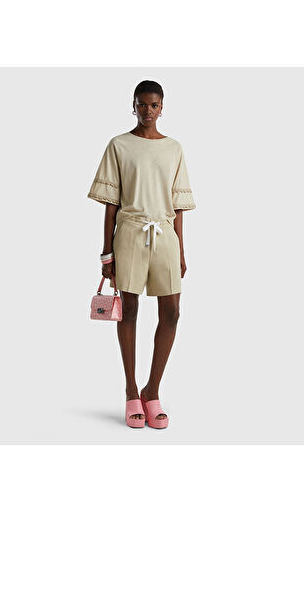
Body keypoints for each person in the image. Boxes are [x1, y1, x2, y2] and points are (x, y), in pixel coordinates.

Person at [87, 80, 196, 428]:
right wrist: (107, 253)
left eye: (154, 105)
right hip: (130, 234)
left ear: (162, 108)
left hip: (165, 236)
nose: (148, 110)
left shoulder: (174, 148)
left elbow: (178, 206)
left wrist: (180, 249)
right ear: (133, 106)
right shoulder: (119, 145)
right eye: (142, 104)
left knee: (172, 312)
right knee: (129, 310)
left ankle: (152, 390)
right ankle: (131, 390)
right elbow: (110, 204)